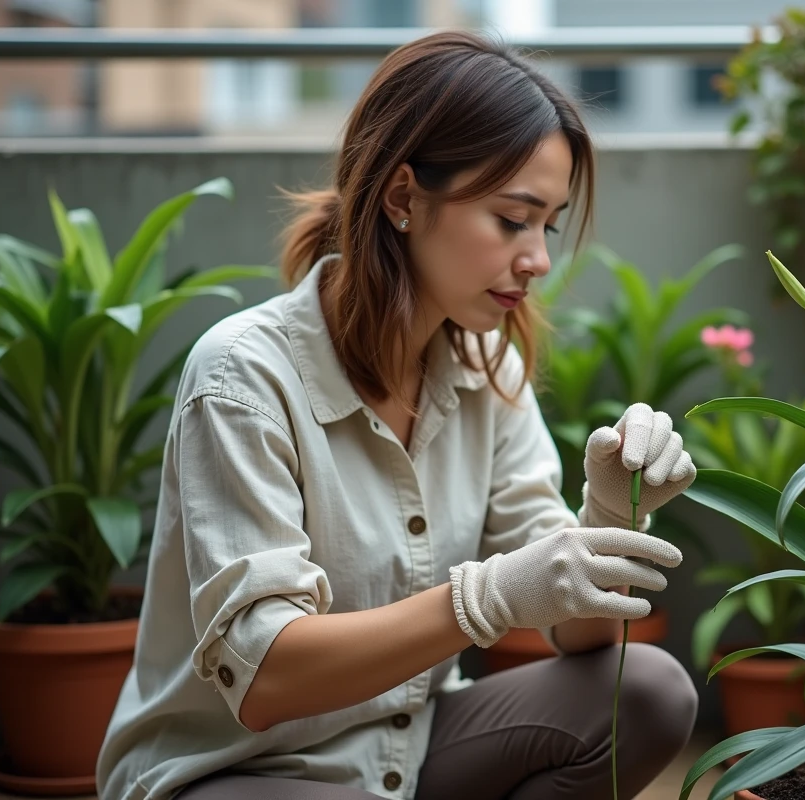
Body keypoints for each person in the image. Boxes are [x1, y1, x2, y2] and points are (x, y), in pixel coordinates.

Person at [95, 29, 700, 800]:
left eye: (547, 225)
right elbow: (266, 676)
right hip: (233, 772)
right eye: (513, 219)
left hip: (407, 752)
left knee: (647, 690)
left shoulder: (489, 373)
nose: (539, 259)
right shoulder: (243, 375)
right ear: (403, 198)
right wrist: (485, 597)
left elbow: (577, 634)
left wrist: (611, 513)